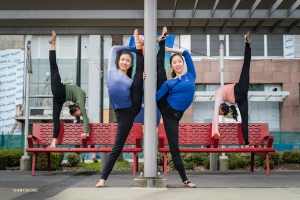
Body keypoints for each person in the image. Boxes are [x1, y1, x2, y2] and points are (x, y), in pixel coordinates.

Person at [96, 29, 144, 187]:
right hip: (122, 114)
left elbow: (134, 89)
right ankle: (103, 179)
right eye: (123, 60)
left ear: (130, 64)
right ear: (118, 61)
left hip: (132, 108)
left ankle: (141, 51)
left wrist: (138, 51)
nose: (124, 62)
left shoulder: (129, 80)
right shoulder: (111, 71)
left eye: (128, 61)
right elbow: (114, 49)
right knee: (118, 146)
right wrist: (133, 47)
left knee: (138, 77)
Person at [156, 27, 196, 188]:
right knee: (174, 146)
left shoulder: (190, 75)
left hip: (177, 114)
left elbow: (186, 53)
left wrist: (168, 49)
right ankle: (185, 179)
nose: (178, 64)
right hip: (167, 110)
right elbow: (157, 97)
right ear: (171, 66)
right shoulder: (169, 82)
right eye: (175, 62)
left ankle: (162, 44)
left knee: (174, 146)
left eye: (179, 61)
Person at [48, 30, 89, 148]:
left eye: (76, 115)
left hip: (60, 97)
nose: (79, 115)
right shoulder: (80, 101)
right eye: (77, 114)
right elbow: (85, 116)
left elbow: (83, 115)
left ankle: (53, 143)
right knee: (53, 67)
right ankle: (53, 43)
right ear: (77, 108)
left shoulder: (78, 101)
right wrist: (86, 132)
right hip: (60, 90)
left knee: (55, 118)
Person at [212, 31, 253, 147]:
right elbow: (216, 116)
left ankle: (247, 44)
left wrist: (215, 131)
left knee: (246, 66)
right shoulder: (220, 99)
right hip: (240, 93)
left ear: (220, 107)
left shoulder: (218, 99)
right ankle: (246, 142)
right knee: (244, 119)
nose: (218, 114)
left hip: (239, 93)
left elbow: (215, 116)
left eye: (220, 113)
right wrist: (216, 131)